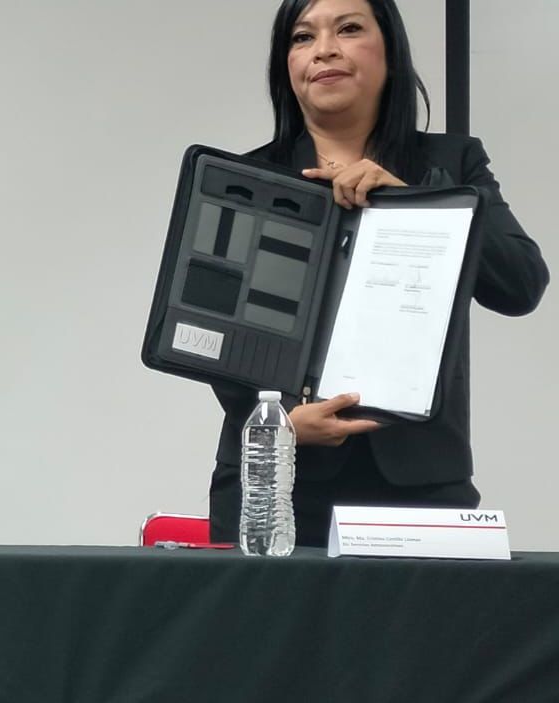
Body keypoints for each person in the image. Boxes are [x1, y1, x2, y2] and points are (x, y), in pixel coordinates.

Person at [208, 0, 547, 546]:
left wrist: (417, 202)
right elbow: (216, 329)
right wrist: (284, 422)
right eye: (302, 37)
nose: (324, 50)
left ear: (390, 51)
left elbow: (520, 286)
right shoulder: (249, 177)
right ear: (286, 66)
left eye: (348, 29)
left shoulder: (450, 164)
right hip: (277, 480)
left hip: (423, 480)